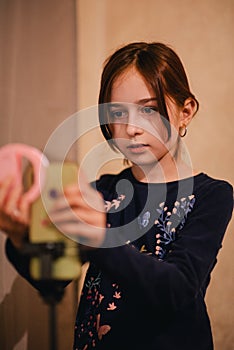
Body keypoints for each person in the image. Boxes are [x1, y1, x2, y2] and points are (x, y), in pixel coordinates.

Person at [0, 42, 233, 350]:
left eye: (148, 110)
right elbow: (53, 280)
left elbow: (178, 289)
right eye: (118, 112)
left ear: (185, 111)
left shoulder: (211, 195)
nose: (132, 128)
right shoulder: (100, 193)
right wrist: (20, 238)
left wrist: (97, 239)